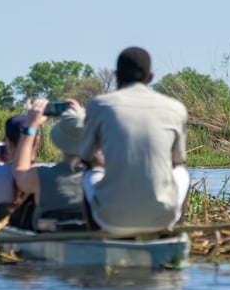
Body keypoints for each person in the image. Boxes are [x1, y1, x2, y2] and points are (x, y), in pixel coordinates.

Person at [78, 46, 190, 234]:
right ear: (150, 77)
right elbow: (176, 161)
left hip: (110, 221)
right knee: (182, 172)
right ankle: (173, 234)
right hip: (161, 220)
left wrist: (100, 163)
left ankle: (95, 232)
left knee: (89, 174)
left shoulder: (100, 105)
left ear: (116, 76)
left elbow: (85, 157)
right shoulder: (175, 108)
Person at [12, 98, 86, 231]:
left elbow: (19, 171)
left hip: (47, 245)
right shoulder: (103, 177)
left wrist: (31, 125)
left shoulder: (42, 177)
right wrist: (80, 118)